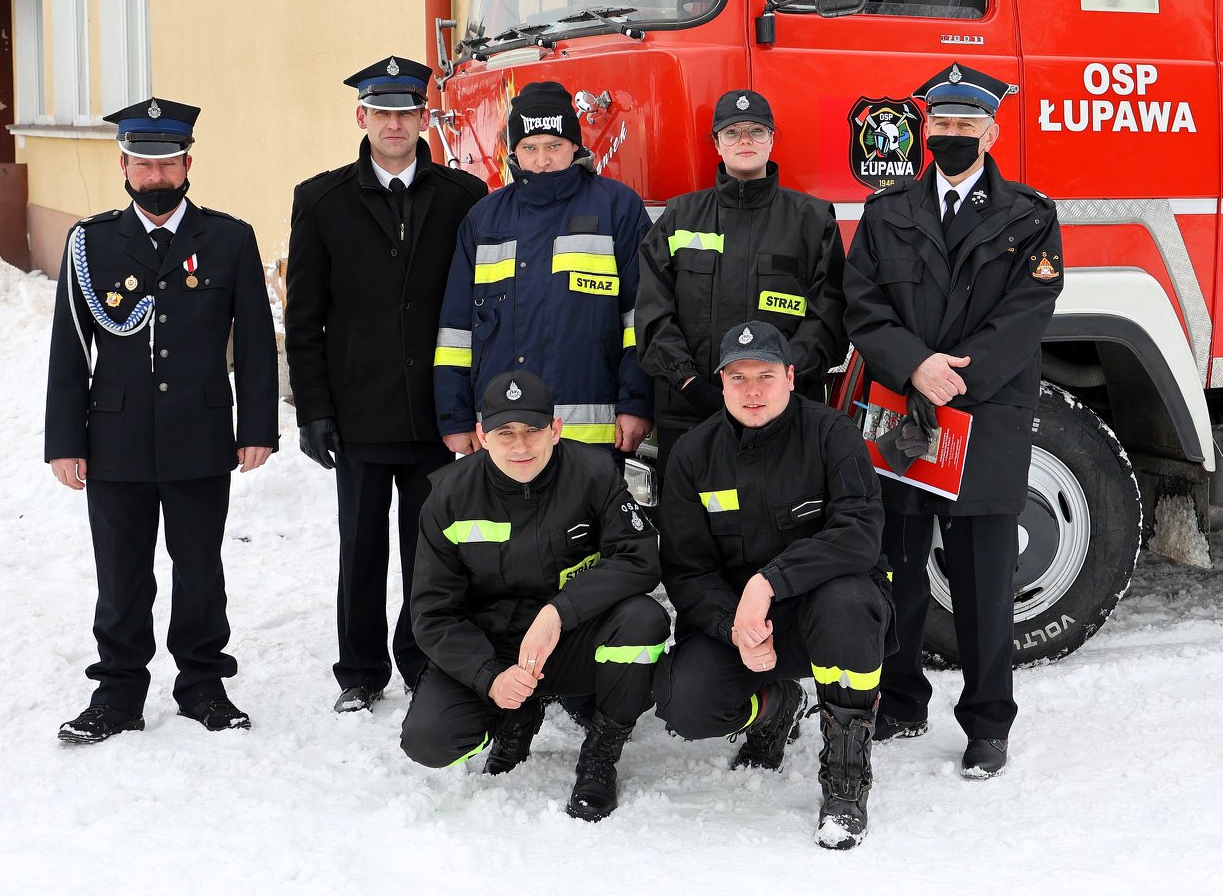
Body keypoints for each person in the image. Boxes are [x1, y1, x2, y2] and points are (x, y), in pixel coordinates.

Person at [842, 63, 1064, 779]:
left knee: (982, 584)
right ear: (925, 130)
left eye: (967, 125)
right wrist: (915, 366)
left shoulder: (1030, 215)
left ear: (991, 133)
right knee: (898, 572)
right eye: (941, 124)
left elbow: (1026, 314)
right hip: (901, 412)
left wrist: (951, 376)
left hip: (984, 414)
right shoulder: (887, 212)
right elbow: (862, 303)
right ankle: (902, 700)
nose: (952, 135)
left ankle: (988, 723)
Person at [45, 99, 278, 744]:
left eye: (168, 163)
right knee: (121, 571)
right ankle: (118, 692)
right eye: (144, 164)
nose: (156, 176)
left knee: (199, 566)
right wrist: (64, 440)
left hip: (200, 435)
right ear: (123, 165)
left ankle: (203, 683)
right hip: (114, 437)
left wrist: (257, 427)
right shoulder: (91, 243)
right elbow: (70, 347)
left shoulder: (228, 239)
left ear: (188, 164)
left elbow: (255, 343)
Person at [284, 55, 489, 713]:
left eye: (406, 112)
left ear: (425, 118)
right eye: (382, 112)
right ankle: (360, 670)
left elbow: (482, 307)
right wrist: (313, 410)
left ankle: (425, 660)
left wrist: (475, 403)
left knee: (432, 553)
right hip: (360, 413)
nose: (394, 124)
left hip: (437, 416)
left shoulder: (463, 196)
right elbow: (304, 318)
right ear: (361, 117)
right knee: (362, 548)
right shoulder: (321, 200)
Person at [654, 320, 891, 850]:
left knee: (847, 600)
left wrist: (769, 581)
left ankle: (846, 781)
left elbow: (858, 534)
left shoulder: (832, 434)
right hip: (742, 623)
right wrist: (732, 627)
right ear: (721, 382)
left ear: (790, 377)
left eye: (765, 375)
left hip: (823, 614)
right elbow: (688, 570)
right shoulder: (693, 454)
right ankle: (776, 707)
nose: (752, 390)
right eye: (737, 377)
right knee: (685, 703)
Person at [400, 371, 668, 822]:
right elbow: (432, 612)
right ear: (482, 435)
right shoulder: (448, 497)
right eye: (505, 432)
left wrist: (559, 612)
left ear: (555, 429)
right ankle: (515, 715)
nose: (521, 446)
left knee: (643, 621)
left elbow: (639, 559)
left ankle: (601, 756)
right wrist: (489, 677)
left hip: (569, 639)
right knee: (430, 741)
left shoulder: (595, 473)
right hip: (493, 647)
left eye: (533, 430)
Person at [433, 81, 651, 459]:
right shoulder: (483, 219)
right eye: (530, 148)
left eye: (554, 146)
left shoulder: (618, 208)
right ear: (514, 151)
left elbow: (642, 318)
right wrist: (454, 417)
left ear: (575, 146)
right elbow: (456, 331)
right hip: (503, 432)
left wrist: (637, 403)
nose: (542, 161)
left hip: (593, 433)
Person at [637, 88, 846, 457]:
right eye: (732, 132)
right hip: (691, 414)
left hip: (787, 416)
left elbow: (827, 320)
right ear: (717, 143)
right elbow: (653, 316)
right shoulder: (678, 217)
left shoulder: (813, 221)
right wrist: (689, 383)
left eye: (756, 131)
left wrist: (774, 385)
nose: (745, 140)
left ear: (771, 140)